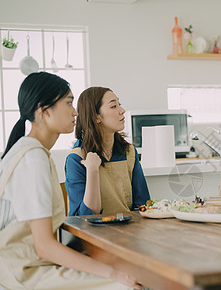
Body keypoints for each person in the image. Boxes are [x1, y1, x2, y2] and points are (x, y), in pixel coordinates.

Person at [0, 72, 141, 289]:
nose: (75, 111)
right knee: (128, 284)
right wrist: (113, 272)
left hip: (29, 266)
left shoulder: (31, 151)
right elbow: (45, 247)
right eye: (68, 103)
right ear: (44, 110)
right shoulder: (33, 157)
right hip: (24, 272)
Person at [65, 87, 150, 216]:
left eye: (119, 104)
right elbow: (82, 217)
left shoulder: (129, 152)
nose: (122, 111)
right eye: (113, 106)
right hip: (92, 233)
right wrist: (92, 169)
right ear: (96, 117)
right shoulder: (76, 159)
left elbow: (143, 204)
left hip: (129, 231)